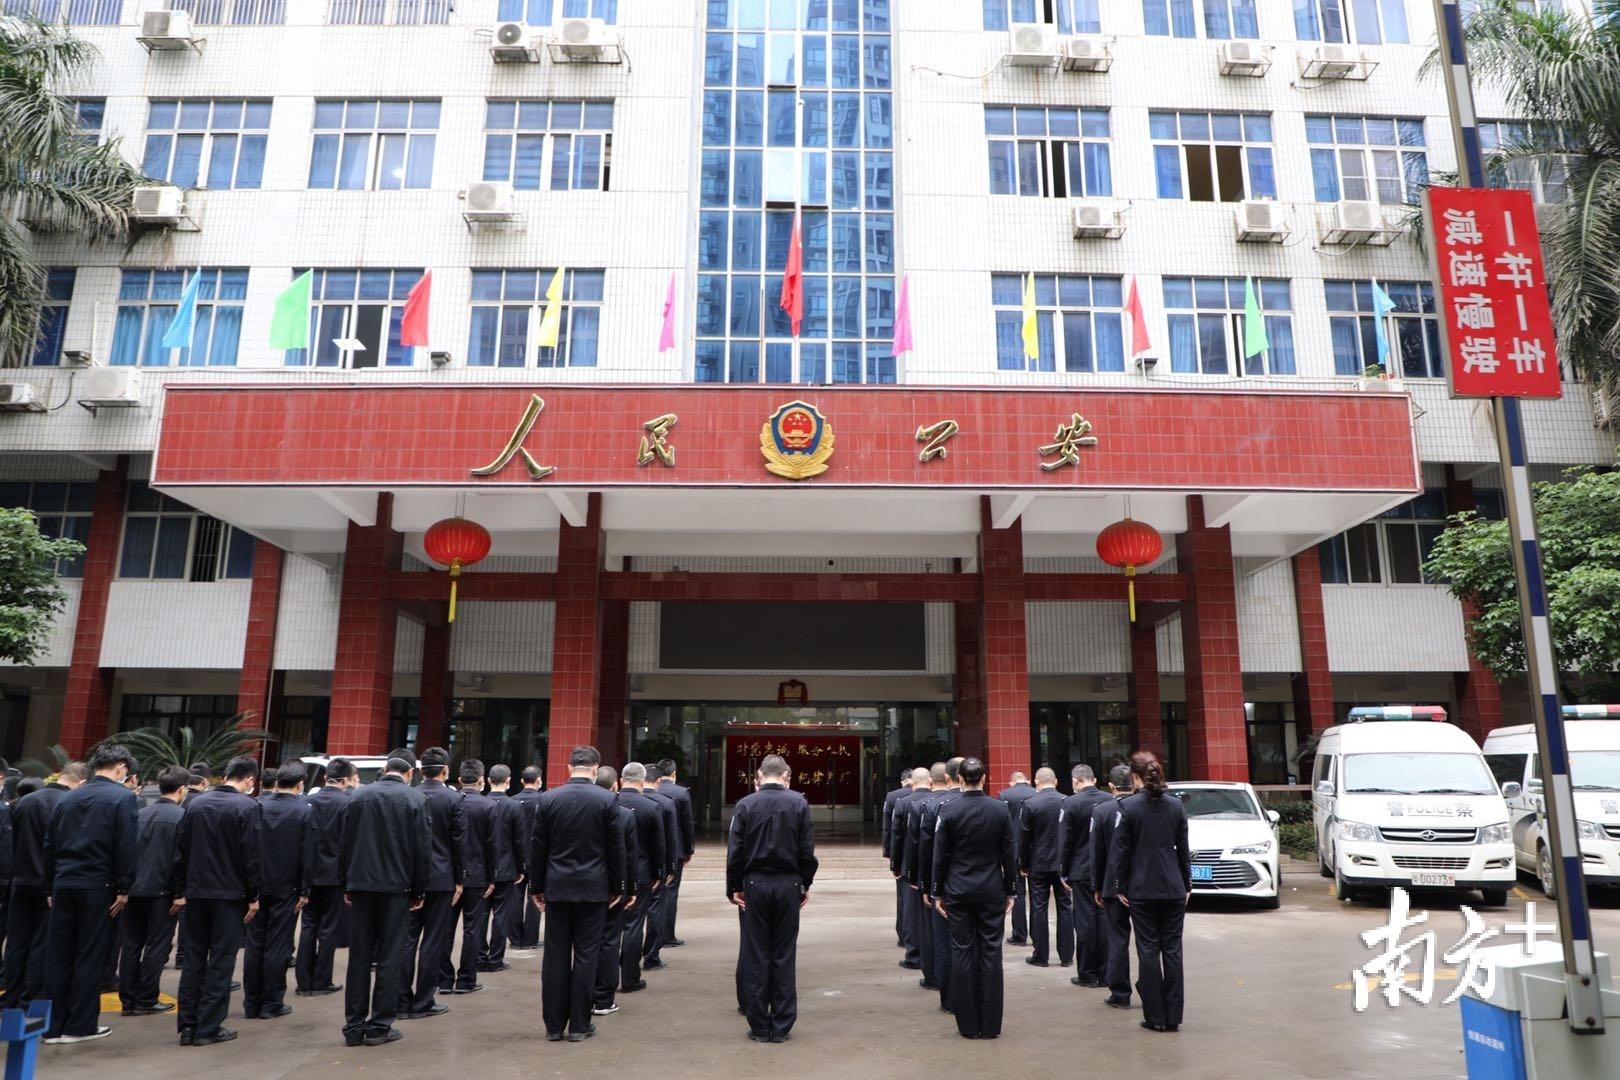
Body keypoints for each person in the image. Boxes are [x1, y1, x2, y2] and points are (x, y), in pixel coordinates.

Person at [39, 747, 139, 1045]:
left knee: (59, 954)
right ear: (121, 767)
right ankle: (80, 1025)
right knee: (90, 954)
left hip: (63, 884)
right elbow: (125, 846)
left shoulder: (67, 797)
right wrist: (124, 888)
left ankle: (53, 1027)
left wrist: (49, 887)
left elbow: (49, 845)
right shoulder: (122, 798)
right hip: (99, 885)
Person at [529, 745, 626, 1043]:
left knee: (555, 957)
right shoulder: (608, 800)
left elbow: (538, 847)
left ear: (570, 768)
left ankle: (554, 1025)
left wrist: (537, 887)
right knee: (587, 956)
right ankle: (580, 1025)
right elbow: (615, 849)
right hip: (594, 890)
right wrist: (617, 887)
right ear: (596, 768)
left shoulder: (548, 799)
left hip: (557, 889)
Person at [339, 755, 431, 1047]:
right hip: (397, 888)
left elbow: (345, 843)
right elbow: (422, 850)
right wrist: (419, 890)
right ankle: (380, 1025)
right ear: (410, 772)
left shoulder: (357, 797)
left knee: (359, 958)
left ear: (384, 770)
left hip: (362, 885)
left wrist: (346, 883)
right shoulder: (415, 800)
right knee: (390, 956)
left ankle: (353, 1026)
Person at [171, 755, 263, 1047]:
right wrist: (253, 896)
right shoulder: (248, 807)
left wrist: (180, 889)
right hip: (229, 895)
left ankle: (188, 1024)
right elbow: (251, 856)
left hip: (196, 893)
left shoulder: (194, 804)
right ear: (249, 780)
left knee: (194, 960)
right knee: (221, 960)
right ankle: (209, 1025)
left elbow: (180, 851)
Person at [727, 754, 817, 1044]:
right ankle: (781, 1024)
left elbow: (736, 852)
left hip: (755, 884)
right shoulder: (799, 803)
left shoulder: (745, 804)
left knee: (756, 953)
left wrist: (734, 887)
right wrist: (803, 884)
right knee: (783, 953)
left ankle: (758, 1024)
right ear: (787, 776)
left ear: (760, 775)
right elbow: (807, 852)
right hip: (787, 883)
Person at [933, 756, 1015, 1041]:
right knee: (991, 952)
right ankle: (991, 1024)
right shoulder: (999, 810)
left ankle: (967, 1024)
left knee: (962, 952)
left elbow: (940, 854)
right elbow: (1009, 853)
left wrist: (937, 891)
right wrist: (1011, 888)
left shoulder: (949, 810)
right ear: (983, 778)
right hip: (991, 889)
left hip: (958, 890)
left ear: (959, 779)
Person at [1109, 751, 1191, 1034]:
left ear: (1134, 776)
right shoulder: (1176, 806)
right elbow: (1183, 851)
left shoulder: (1128, 807)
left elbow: (1120, 852)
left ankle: (1155, 1016)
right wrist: (1187, 884)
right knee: (1173, 950)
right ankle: (1174, 1015)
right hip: (1173, 887)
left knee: (1147, 949)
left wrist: (1119, 886)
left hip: (1141, 888)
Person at [1, 761, 86, 1011]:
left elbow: (11, 840)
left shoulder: (26, 801)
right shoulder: (69, 805)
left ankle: (11, 994)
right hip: (49, 884)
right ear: (80, 783)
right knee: (42, 943)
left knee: (17, 942)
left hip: (21, 880)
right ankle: (30, 997)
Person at [119, 765, 189, 1017]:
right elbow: (180, 860)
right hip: (162, 892)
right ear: (182, 789)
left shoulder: (141, 814)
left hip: (134, 889)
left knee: (131, 944)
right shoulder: (182, 817)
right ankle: (147, 997)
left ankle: (127, 999)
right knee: (157, 946)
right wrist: (180, 893)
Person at [400, 746, 464, 1020]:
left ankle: (401, 1000)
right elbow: (459, 843)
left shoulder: (409, 796)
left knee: (406, 940)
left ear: (420, 771)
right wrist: (460, 879)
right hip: (441, 877)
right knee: (434, 940)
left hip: (408, 877)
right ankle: (423, 1000)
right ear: (446, 770)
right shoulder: (453, 800)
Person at [243, 762, 309, 1021]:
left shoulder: (257, 807)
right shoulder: (303, 812)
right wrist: (304, 889)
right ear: (300, 784)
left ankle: (252, 1002)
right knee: (278, 945)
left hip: (258, 886)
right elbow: (307, 854)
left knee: (255, 944)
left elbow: (247, 848)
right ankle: (272, 1002)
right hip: (286, 887)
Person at [295, 757, 355, 997]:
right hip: (334, 875)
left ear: (325, 777)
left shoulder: (308, 802)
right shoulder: (347, 803)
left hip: (309, 875)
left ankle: (303, 980)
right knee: (329, 928)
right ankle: (321, 980)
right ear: (348, 780)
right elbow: (348, 842)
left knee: (308, 925)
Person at [915, 758, 964, 1009]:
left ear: (948, 778)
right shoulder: (993, 806)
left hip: (946, 885)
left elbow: (927, 851)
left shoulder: (934, 806)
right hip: (982, 887)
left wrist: (928, 886)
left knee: (944, 943)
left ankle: (950, 1000)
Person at [591, 765, 639, 1017]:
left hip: (577, 889)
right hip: (610, 890)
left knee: (583, 945)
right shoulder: (623, 815)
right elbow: (626, 857)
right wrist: (628, 889)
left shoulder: (568, 806)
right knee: (609, 942)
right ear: (616, 786)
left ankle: (583, 996)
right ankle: (603, 999)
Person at [614, 763, 665, 996]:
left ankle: (606, 977)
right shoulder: (651, 807)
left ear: (622, 780)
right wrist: (658, 874)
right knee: (634, 926)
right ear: (643, 781)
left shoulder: (609, 803)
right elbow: (658, 846)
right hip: (642, 874)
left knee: (610, 928)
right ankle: (630, 977)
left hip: (611, 875)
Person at [1060, 763, 1114, 987]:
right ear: (1094, 778)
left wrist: (1063, 871)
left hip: (1081, 870)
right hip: (1106, 870)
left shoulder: (1070, 803)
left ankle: (1087, 973)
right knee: (1104, 921)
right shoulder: (1110, 801)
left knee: (1084, 922)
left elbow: (1065, 841)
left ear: (1075, 781)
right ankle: (1105, 973)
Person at [1019, 767, 1073, 970]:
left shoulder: (1031, 804)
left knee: (1038, 907)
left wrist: (1022, 863)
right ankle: (1067, 955)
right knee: (1065, 907)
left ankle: (1040, 955)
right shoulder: (1067, 801)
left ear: (1036, 782)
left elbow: (1024, 837)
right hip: (1062, 863)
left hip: (1038, 862)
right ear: (1056, 781)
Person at [449, 759, 495, 995]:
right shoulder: (488, 806)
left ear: (459, 779)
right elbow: (492, 845)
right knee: (472, 928)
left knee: (445, 929)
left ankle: (443, 979)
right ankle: (466, 979)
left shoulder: (450, 801)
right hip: (478, 875)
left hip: (450, 875)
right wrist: (492, 876)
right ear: (481, 780)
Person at [1091, 764, 1135, 1009]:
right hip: (1140, 884)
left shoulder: (1103, 811)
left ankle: (1120, 992)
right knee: (1148, 941)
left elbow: (1096, 851)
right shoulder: (1143, 806)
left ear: (1111, 786)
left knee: (1117, 939)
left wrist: (1097, 884)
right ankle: (1150, 988)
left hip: (1111, 882)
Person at [904, 762, 949, 991]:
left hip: (934, 878)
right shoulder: (992, 806)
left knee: (933, 931)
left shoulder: (925, 806)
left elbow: (918, 846)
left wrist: (917, 881)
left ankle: (933, 977)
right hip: (972, 881)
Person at [481, 763, 525, 974]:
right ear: (508, 780)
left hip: (482, 868)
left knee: (480, 914)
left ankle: (480, 955)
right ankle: (495, 958)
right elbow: (519, 840)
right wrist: (521, 866)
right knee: (501, 914)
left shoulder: (480, 803)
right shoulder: (514, 806)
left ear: (488, 780)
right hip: (506, 866)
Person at [638, 776, 680, 971]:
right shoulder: (663, 804)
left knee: (629, 921)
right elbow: (667, 840)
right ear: (657, 782)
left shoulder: (617, 800)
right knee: (655, 911)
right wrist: (668, 868)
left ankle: (626, 960)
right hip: (651, 869)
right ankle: (651, 955)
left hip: (625, 870)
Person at [654, 760, 695, 948]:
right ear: (674, 774)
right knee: (671, 892)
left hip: (652, 850)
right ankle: (667, 935)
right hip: (675, 851)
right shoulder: (681, 793)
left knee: (654, 892)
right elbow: (687, 824)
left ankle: (653, 935)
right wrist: (689, 849)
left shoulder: (650, 790)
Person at [996, 771, 1036, 946]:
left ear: (1011, 782)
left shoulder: (1004, 795)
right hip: (1035, 851)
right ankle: (1038, 936)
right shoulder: (1036, 794)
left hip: (1013, 849)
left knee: (1017, 892)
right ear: (1027, 781)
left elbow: (1000, 824)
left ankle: (1019, 935)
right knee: (1037, 897)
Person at [509, 765, 545, 952]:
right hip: (536, 856)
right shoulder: (544, 801)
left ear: (522, 781)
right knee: (534, 897)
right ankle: (530, 938)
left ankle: (515, 938)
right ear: (539, 780)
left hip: (515, 857)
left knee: (514, 898)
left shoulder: (512, 801)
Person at [881, 769, 913, 948]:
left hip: (901, 856)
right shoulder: (928, 795)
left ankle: (903, 934)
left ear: (902, 781)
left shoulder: (893, 796)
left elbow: (889, 827)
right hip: (919, 855)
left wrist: (890, 854)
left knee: (902, 897)